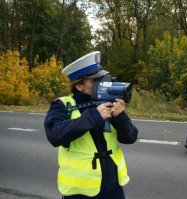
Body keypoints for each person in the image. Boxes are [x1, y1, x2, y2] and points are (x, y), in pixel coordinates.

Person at [44, 51, 138, 199]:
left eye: (102, 78)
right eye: (95, 80)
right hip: (81, 191)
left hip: (113, 187)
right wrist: (94, 116)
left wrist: (120, 117)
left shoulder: (107, 101)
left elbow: (131, 137)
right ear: (79, 86)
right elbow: (55, 135)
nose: (102, 83)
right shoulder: (62, 105)